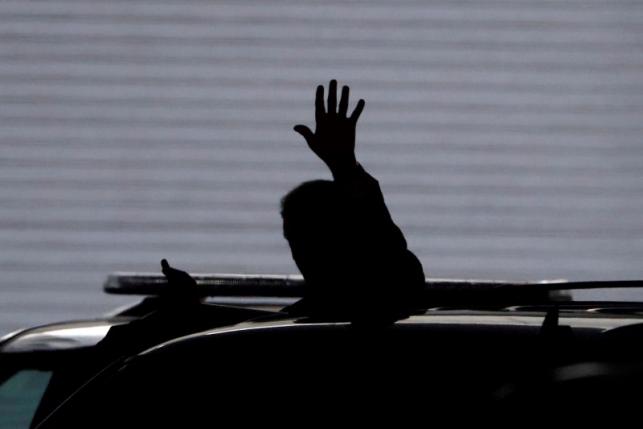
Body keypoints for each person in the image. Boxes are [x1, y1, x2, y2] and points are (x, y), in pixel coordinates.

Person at [282, 80, 425, 324]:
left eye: (315, 238)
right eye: (296, 240)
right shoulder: (293, 324)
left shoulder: (285, 332)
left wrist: (344, 166)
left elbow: (396, 267)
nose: (301, 255)